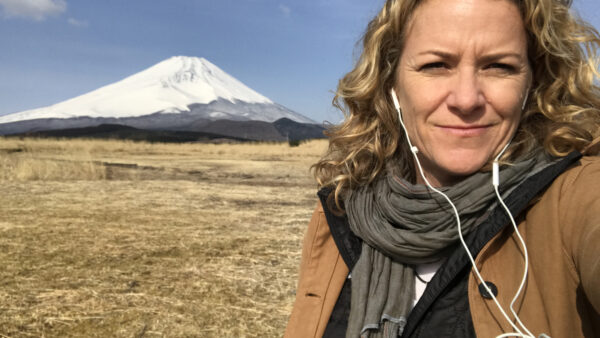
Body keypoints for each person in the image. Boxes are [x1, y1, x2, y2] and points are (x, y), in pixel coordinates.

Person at [285, 0, 600, 337]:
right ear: (392, 85)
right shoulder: (342, 210)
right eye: (436, 65)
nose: (466, 100)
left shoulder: (573, 197)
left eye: (498, 66)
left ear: (532, 83)